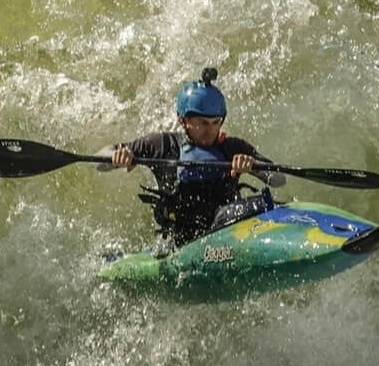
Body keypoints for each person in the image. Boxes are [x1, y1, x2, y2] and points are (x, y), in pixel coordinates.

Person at [99, 68, 284, 248]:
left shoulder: (233, 147)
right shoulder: (162, 145)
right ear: (183, 120)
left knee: (263, 204)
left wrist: (253, 167)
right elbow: (100, 159)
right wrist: (118, 156)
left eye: (215, 122)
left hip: (227, 227)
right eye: (202, 123)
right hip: (182, 240)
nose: (210, 130)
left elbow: (278, 179)